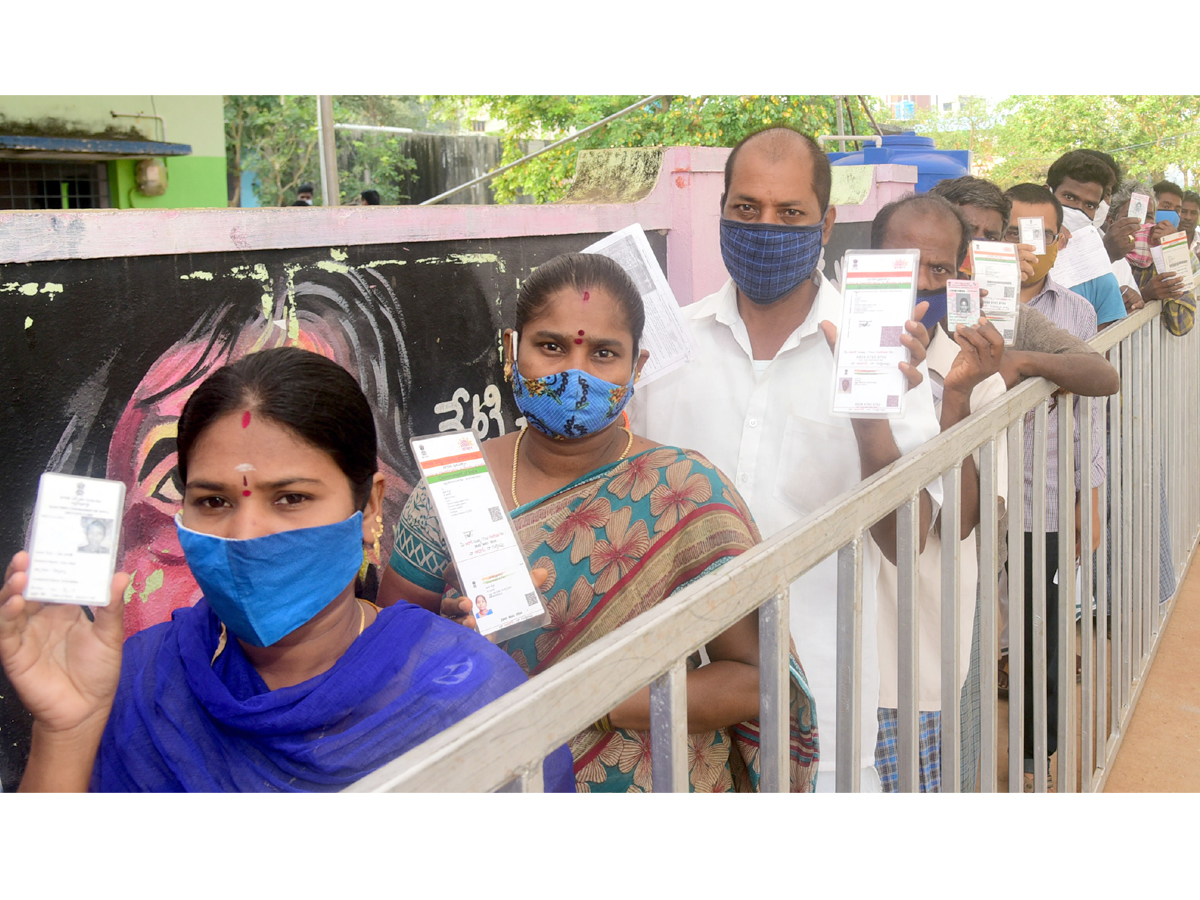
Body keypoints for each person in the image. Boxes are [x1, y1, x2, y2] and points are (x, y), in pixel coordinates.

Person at [0, 347, 573, 792]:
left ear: (369, 504)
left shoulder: (470, 695)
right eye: (214, 501)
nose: (246, 533)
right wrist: (67, 730)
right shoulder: (139, 680)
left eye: (291, 498)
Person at [379, 252, 819, 793]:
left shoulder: (685, 488)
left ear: (637, 367)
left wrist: (596, 701)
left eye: (603, 353)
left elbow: (758, 679)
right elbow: (389, 656)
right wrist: (450, 643)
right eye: (552, 346)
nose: (575, 374)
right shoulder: (453, 487)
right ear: (512, 351)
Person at [631, 126, 943, 792]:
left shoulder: (885, 357)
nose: (764, 227)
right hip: (675, 708)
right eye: (746, 209)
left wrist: (869, 423)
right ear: (721, 211)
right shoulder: (662, 351)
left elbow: (905, 540)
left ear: (825, 222)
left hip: (823, 709)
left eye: (789, 213)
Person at [869, 193, 1008, 792]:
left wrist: (953, 400)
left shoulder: (974, 376)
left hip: (911, 658)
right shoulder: (832, 349)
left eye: (940, 268)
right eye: (903, 261)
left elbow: (962, 523)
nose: (921, 281)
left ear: (959, 275)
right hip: (823, 645)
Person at [1003, 183, 1107, 792]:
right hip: (976, 498)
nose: (1025, 247)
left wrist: (1087, 497)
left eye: (1038, 235)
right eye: (1012, 233)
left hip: (1042, 494)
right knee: (979, 627)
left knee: (1042, 626)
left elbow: (1089, 413)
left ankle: (1033, 755)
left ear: (1060, 242)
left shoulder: (1074, 311)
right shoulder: (961, 302)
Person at [1044, 151, 1127, 328]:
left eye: (1089, 205)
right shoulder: (1013, 248)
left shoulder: (1101, 277)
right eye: (1069, 197)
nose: (1078, 210)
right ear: (1048, 192)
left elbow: (1104, 346)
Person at [1108, 180, 1195, 337]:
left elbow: (1182, 323)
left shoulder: (1158, 260)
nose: (1139, 223)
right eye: (1132, 216)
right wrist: (1145, 295)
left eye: (1148, 216)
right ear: (1111, 221)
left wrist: (1171, 250)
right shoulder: (1104, 259)